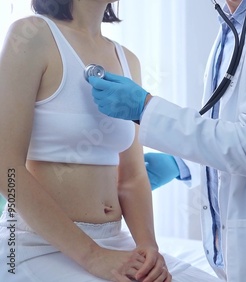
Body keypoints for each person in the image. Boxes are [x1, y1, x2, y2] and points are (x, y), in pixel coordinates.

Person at [89, 0, 246, 281]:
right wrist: (180, 164)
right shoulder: (231, 28)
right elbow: (227, 132)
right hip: (233, 256)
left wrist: (146, 109)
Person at [0, 1, 221, 281]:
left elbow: (132, 177)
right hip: (38, 243)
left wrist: (148, 248)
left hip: (114, 242)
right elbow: (5, 166)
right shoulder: (32, 34)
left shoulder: (127, 59)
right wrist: (92, 256)